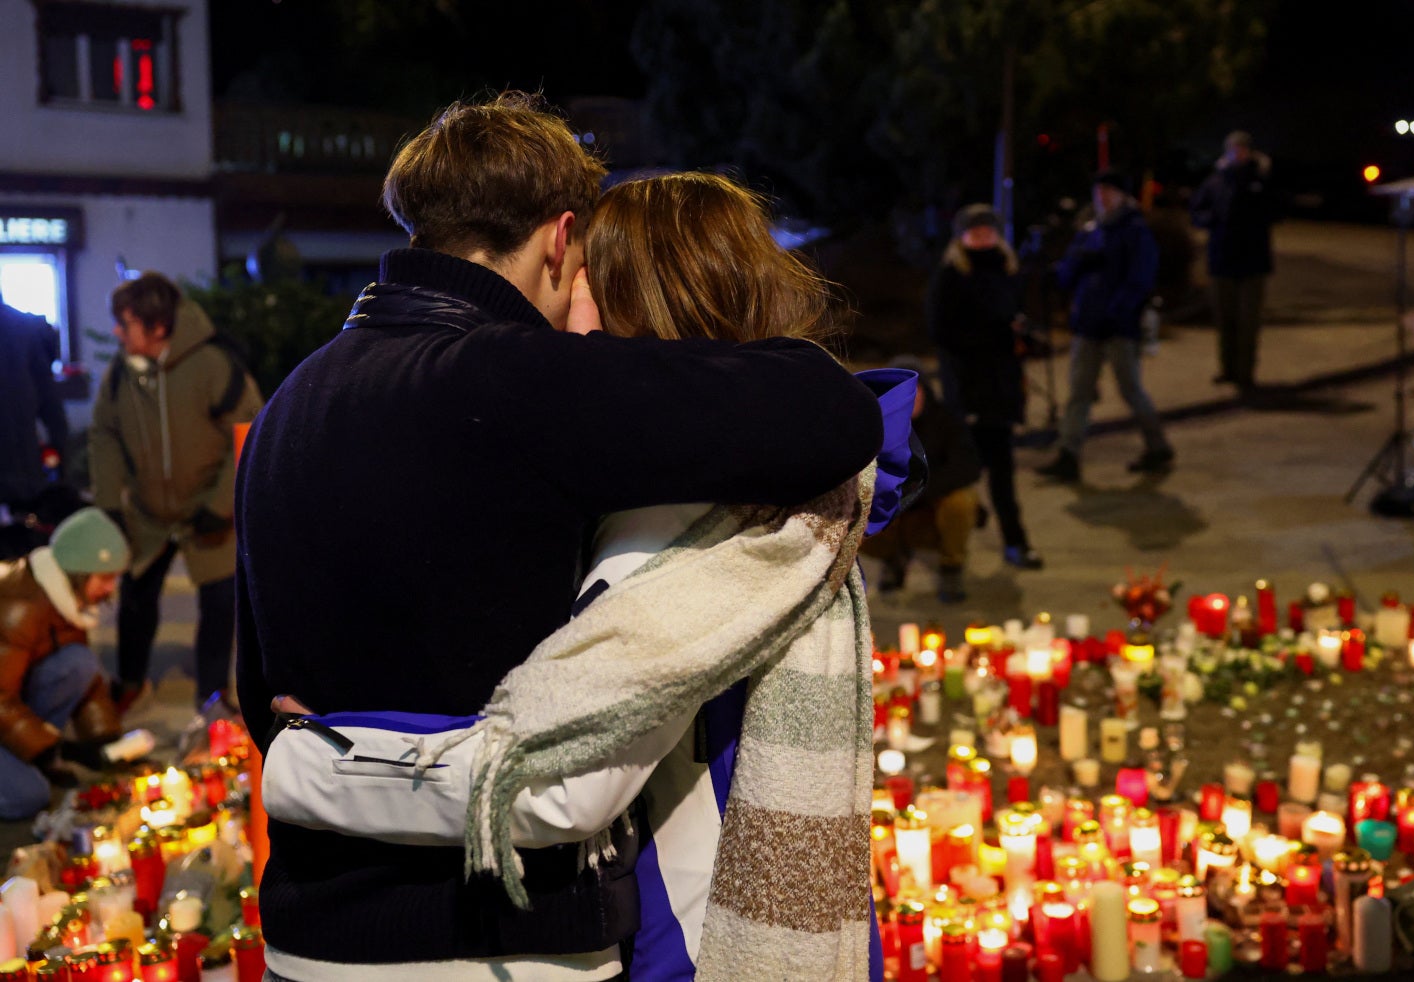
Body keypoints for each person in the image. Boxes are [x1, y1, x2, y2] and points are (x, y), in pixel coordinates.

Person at [235, 94, 884, 981]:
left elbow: (259, 692)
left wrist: (314, 767)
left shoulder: (290, 403)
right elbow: (835, 412)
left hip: (309, 940)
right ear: (559, 237)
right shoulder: (520, 379)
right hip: (501, 942)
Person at [89, 273, 263, 712]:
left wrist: (221, 504)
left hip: (207, 511)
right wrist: (110, 503)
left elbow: (248, 434)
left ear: (158, 328)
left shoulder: (212, 365)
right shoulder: (120, 374)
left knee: (220, 605)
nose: (116, 332)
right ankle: (130, 682)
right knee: (135, 599)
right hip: (149, 515)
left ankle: (212, 695)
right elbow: (104, 435)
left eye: (124, 324)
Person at [926, 204, 1043, 571]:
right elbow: (943, 334)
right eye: (974, 231)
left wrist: (1026, 335)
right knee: (962, 473)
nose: (981, 237)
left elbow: (1017, 316)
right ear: (960, 237)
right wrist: (994, 336)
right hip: (969, 391)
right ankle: (949, 550)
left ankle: (1017, 542)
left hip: (1002, 392)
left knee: (1003, 474)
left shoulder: (1008, 271)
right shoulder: (950, 276)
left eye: (987, 230)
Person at [1038, 169, 1174, 482]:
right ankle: (1068, 455)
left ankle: (1158, 446)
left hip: (1118, 326)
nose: (1103, 196)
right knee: (1079, 391)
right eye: (1100, 190)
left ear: (1123, 195)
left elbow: (1140, 278)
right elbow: (1072, 266)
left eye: (1110, 190)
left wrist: (1119, 310)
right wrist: (1057, 274)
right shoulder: (1091, 226)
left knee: (1130, 389)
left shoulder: (1134, 230)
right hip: (1088, 323)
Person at [0, 507, 127, 820]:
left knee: (79, 662)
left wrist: (104, 741)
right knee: (30, 797)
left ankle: (31, 756)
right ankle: (31, 761)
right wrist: (55, 749)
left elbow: (89, 682)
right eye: (106, 578)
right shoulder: (21, 608)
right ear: (80, 571)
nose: (111, 588)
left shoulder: (65, 599)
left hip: (10, 702)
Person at [862, 359, 983, 603]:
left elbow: (967, 466)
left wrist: (920, 489)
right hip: (894, 512)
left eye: (915, 390)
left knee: (962, 501)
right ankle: (893, 558)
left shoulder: (945, 420)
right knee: (851, 514)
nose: (911, 398)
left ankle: (951, 566)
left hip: (932, 510)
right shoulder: (876, 426)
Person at [1191, 130, 1275, 391]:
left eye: (1241, 149)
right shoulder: (1216, 181)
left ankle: (1245, 373)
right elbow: (1198, 210)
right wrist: (1211, 221)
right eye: (1232, 149)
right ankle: (1227, 369)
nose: (1237, 154)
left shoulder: (1260, 180)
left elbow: (1277, 209)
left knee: (1247, 322)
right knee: (1225, 319)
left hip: (1253, 262)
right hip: (1222, 260)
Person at [0, 296, 68, 516]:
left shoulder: (22, 330)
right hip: (23, 473)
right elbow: (51, 407)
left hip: (22, 473)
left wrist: (60, 464)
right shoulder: (23, 329)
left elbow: (50, 404)